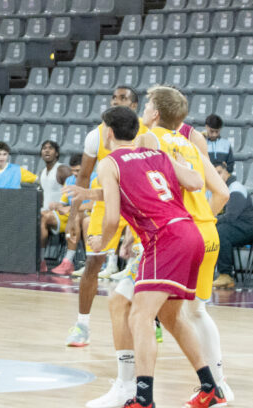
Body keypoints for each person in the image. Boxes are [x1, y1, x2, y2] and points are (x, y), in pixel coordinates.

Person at [92, 106, 225, 408]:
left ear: (108, 132)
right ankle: (211, 387)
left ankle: (143, 398)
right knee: (171, 317)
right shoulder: (158, 155)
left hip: (164, 238)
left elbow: (112, 218)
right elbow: (194, 182)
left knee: (139, 316)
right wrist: (179, 162)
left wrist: (103, 241)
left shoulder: (110, 163)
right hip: (190, 234)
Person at [140, 87, 232, 404]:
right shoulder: (192, 146)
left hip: (177, 234)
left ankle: (134, 388)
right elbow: (223, 194)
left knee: (136, 306)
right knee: (197, 311)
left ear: (155, 112)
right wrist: (204, 218)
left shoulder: (151, 139)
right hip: (207, 231)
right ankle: (217, 382)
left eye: (148, 103)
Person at [65, 86, 145, 347]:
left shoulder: (147, 134)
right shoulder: (96, 135)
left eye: (122, 98)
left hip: (140, 202)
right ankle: (82, 326)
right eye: (114, 97)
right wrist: (73, 217)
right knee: (92, 262)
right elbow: (83, 177)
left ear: (134, 106)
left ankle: (150, 320)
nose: (116, 101)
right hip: (105, 199)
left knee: (147, 263)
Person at [211, 163, 253, 290]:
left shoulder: (236, 188)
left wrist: (211, 220)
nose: (217, 176)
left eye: (219, 172)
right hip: (237, 226)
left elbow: (230, 217)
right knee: (214, 230)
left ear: (227, 172)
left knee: (221, 232)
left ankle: (226, 275)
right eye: (214, 174)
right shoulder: (220, 190)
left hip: (250, 227)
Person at [39, 145, 76, 271]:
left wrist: (61, 206)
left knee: (43, 217)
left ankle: (40, 259)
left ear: (57, 153)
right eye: (44, 148)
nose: (47, 150)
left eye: (50, 148)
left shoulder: (62, 169)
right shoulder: (43, 171)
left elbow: (74, 185)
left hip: (64, 214)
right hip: (50, 211)